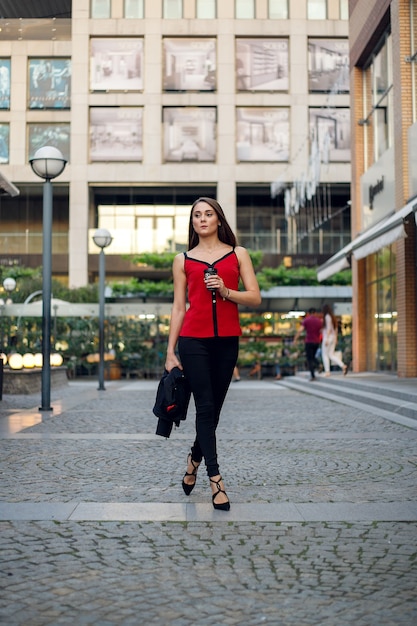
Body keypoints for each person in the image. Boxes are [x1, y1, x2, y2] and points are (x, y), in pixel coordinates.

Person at [165, 197, 261, 511]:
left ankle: (193, 458)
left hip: (227, 342)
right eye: (197, 215)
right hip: (193, 341)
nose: (203, 219)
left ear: (218, 220)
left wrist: (225, 291)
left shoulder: (238, 254)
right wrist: (170, 351)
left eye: (208, 214)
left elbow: (255, 297)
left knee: (213, 412)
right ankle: (216, 480)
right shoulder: (183, 260)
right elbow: (179, 307)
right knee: (204, 407)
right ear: (192, 223)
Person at [293, 308, 322, 381]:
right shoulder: (319, 321)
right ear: (315, 313)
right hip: (317, 341)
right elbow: (322, 331)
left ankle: (313, 375)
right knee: (313, 357)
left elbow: (300, 330)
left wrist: (295, 339)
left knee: (309, 359)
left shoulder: (306, 320)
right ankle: (318, 364)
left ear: (308, 313)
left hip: (309, 341)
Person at [321, 304, 348, 376]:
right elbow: (335, 329)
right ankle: (342, 365)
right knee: (331, 355)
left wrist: (326, 338)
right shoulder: (333, 318)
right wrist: (335, 338)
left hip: (328, 337)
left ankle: (327, 371)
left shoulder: (327, 317)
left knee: (325, 355)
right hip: (332, 337)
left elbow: (329, 329)